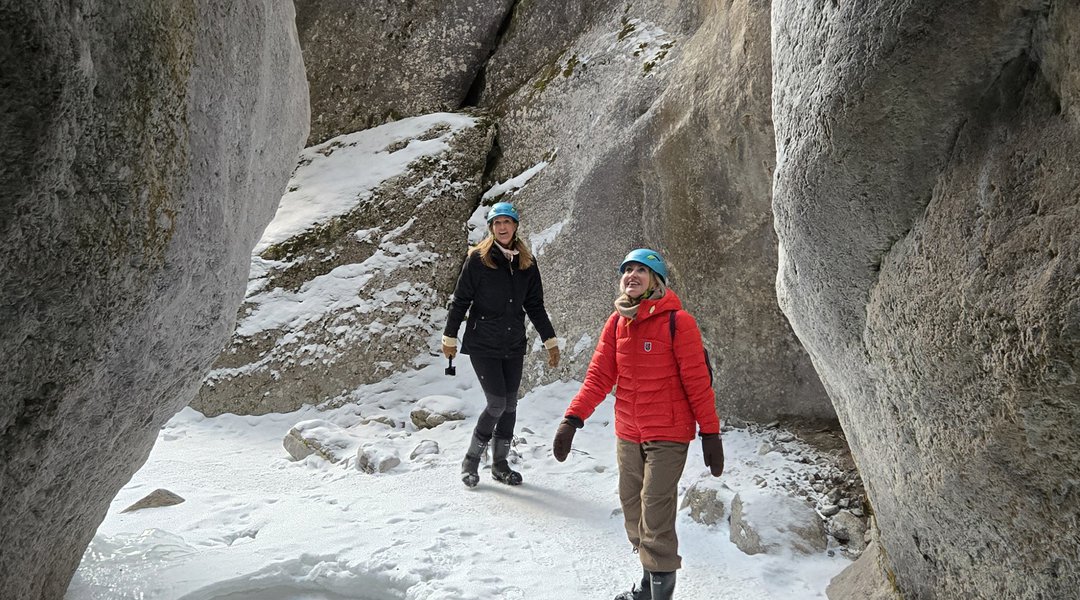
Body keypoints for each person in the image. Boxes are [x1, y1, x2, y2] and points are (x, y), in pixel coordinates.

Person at [552, 248, 724, 600]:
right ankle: (647, 588)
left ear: (655, 280)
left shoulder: (679, 322)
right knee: (632, 508)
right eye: (627, 270)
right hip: (628, 432)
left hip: (668, 433)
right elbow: (599, 377)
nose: (632, 275)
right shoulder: (617, 322)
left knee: (655, 510)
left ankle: (660, 594)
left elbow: (697, 382)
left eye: (641, 271)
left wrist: (710, 432)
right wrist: (573, 418)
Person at [443, 201, 560, 488]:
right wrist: (449, 337)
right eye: (497, 223)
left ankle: (500, 464)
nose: (503, 227)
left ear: (516, 226)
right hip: (483, 343)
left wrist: (550, 340)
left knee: (510, 405)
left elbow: (534, 305)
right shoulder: (478, 260)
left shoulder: (526, 264)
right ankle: (471, 460)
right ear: (491, 228)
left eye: (507, 222)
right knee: (496, 402)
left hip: (513, 343)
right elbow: (461, 301)